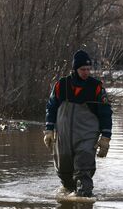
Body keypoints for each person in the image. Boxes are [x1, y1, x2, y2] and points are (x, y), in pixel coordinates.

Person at [44, 50, 113, 198]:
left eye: (89, 69)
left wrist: (105, 138)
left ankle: (84, 205)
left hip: (86, 136)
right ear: (75, 69)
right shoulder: (61, 85)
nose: (86, 72)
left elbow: (106, 113)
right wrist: (48, 130)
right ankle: (68, 201)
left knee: (84, 171)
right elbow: (51, 107)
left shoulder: (96, 88)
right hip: (63, 136)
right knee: (64, 173)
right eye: (83, 69)